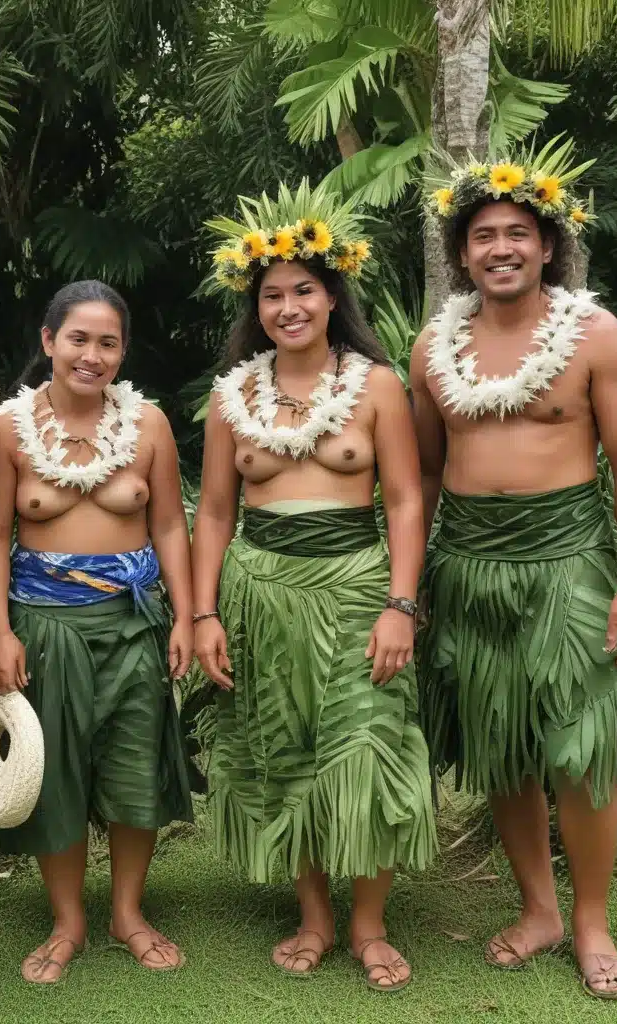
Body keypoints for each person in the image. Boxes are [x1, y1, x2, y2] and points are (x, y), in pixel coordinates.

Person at [412, 141, 617, 999]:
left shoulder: (592, 333)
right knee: (503, 745)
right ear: (461, 253)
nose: (500, 248)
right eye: (483, 235)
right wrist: (415, 582)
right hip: (467, 563)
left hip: (569, 563)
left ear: (547, 246)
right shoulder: (435, 346)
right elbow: (425, 473)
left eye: (517, 233)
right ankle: (539, 906)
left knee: (581, 750)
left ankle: (591, 921)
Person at [192, 181, 435, 991]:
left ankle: (369, 924)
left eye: (303, 290)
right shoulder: (232, 399)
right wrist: (204, 612)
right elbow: (215, 512)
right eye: (272, 295)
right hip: (259, 587)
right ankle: (315, 916)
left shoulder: (375, 386)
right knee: (280, 745)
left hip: (357, 583)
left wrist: (401, 603)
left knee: (368, 740)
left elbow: (403, 498)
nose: (288, 306)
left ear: (332, 295)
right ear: (254, 307)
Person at [0, 280, 194, 984]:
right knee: (56, 771)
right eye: (78, 339)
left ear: (122, 351)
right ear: (48, 342)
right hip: (44, 625)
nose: (91, 355)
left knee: (135, 767)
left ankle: (128, 912)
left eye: (108, 342)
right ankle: (68, 919)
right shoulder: (9, 428)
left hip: (134, 621)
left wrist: (187, 614)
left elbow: (167, 524)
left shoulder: (149, 425)